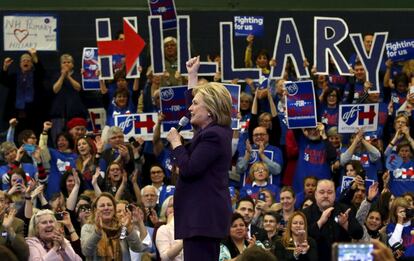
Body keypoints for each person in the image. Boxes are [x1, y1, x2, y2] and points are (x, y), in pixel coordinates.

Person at [166, 56, 233, 261]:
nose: (190, 108)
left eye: (196, 104)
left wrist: (176, 144)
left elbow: (189, 168)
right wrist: (192, 76)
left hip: (202, 218)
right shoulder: (212, 131)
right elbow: (194, 109)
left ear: (210, 111)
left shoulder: (213, 135)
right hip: (202, 218)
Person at [302, 179, 363, 260]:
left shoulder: (345, 209)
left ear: (334, 195)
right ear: (316, 194)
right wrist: (320, 222)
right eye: (322, 192)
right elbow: (303, 238)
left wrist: (345, 225)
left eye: (330, 192)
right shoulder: (305, 213)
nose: (326, 195)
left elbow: (359, 234)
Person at [80, 192, 144, 260]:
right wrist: (97, 232)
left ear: (114, 208)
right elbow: (86, 252)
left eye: (109, 205)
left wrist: (129, 228)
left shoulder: (122, 227)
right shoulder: (88, 228)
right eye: (102, 206)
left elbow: (138, 248)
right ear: (95, 210)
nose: (106, 208)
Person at [0, 191, 29, 261]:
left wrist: (9, 228)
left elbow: (25, 254)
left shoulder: (17, 223)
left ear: (6, 204)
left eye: (1, 200)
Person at [155, 196, 184, 261]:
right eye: (171, 206)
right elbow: (165, 258)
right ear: (165, 210)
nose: (175, 208)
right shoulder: (162, 228)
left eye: (178, 205)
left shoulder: (190, 227)